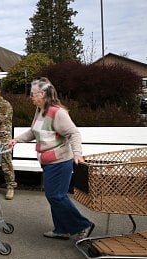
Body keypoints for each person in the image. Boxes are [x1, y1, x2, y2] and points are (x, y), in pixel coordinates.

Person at [8, 77, 94, 240]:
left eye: (33, 94)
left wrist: (77, 153)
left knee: (56, 196)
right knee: (54, 195)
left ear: (43, 94)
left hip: (60, 162)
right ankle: (62, 229)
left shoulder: (57, 112)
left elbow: (73, 133)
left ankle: (83, 225)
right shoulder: (40, 111)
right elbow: (34, 132)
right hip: (48, 162)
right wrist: (16, 139)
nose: (31, 97)